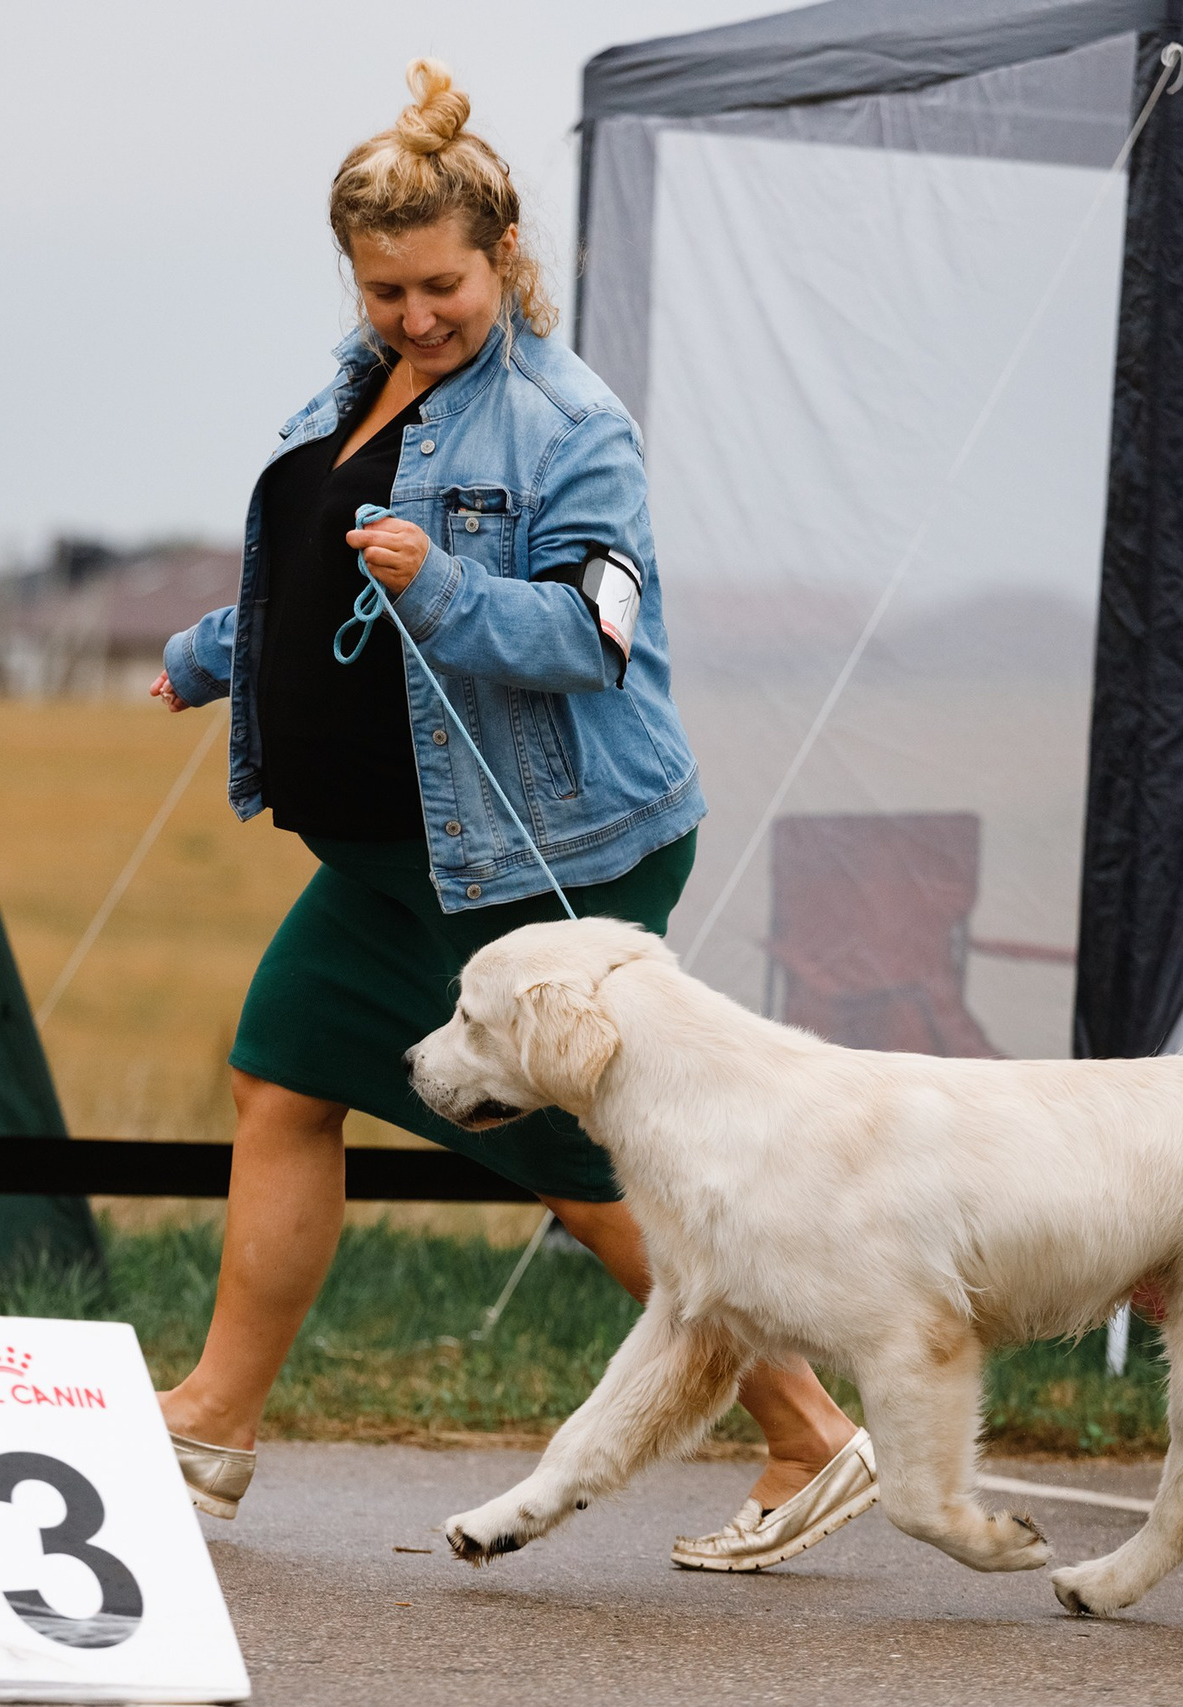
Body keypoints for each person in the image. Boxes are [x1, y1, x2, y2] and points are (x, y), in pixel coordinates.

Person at [148, 61, 870, 1572]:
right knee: (281, 1080)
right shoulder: (349, 386)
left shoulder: (566, 421)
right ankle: (212, 1424)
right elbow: (311, 573)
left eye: (442, 286)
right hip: (383, 862)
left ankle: (810, 1429)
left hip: (535, 858)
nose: (416, 315)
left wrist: (451, 589)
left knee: (578, 1170)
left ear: (505, 257)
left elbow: (595, 636)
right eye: (385, 287)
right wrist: (211, 657)